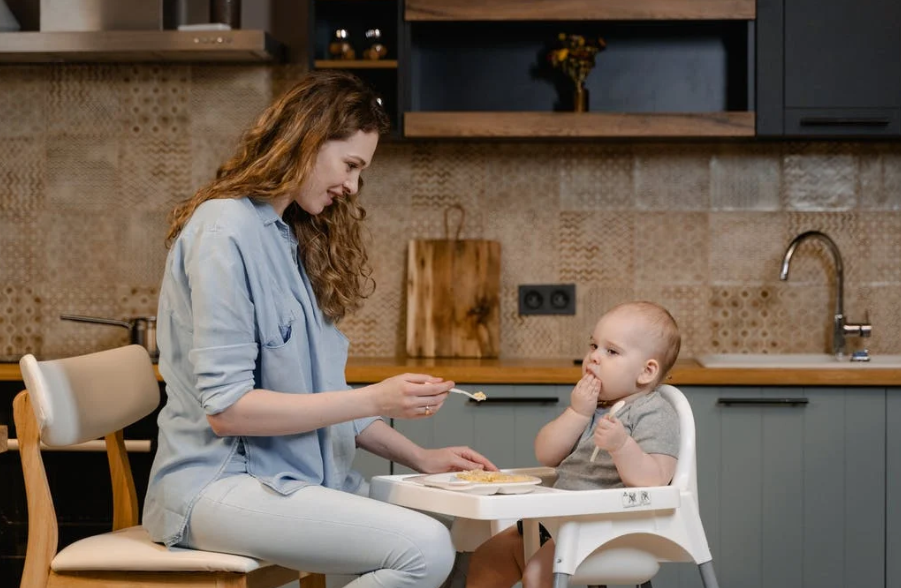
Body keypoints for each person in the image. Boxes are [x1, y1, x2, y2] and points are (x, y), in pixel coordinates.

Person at [142, 70, 496, 588]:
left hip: (287, 479)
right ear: (307, 139)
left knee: (461, 525)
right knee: (423, 549)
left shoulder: (287, 238)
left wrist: (419, 457)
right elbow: (228, 411)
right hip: (217, 486)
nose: (352, 186)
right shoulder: (224, 230)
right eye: (350, 165)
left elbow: (321, 398)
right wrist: (376, 399)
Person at [465, 301, 681, 588]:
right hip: (555, 522)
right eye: (593, 346)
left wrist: (621, 446)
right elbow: (546, 454)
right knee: (488, 557)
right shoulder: (590, 408)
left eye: (611, 351)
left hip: (607, 528)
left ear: (646, 371)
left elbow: (655, 480)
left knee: (539, 574)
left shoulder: (653, 412)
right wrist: (577, 412)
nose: (594, 358)